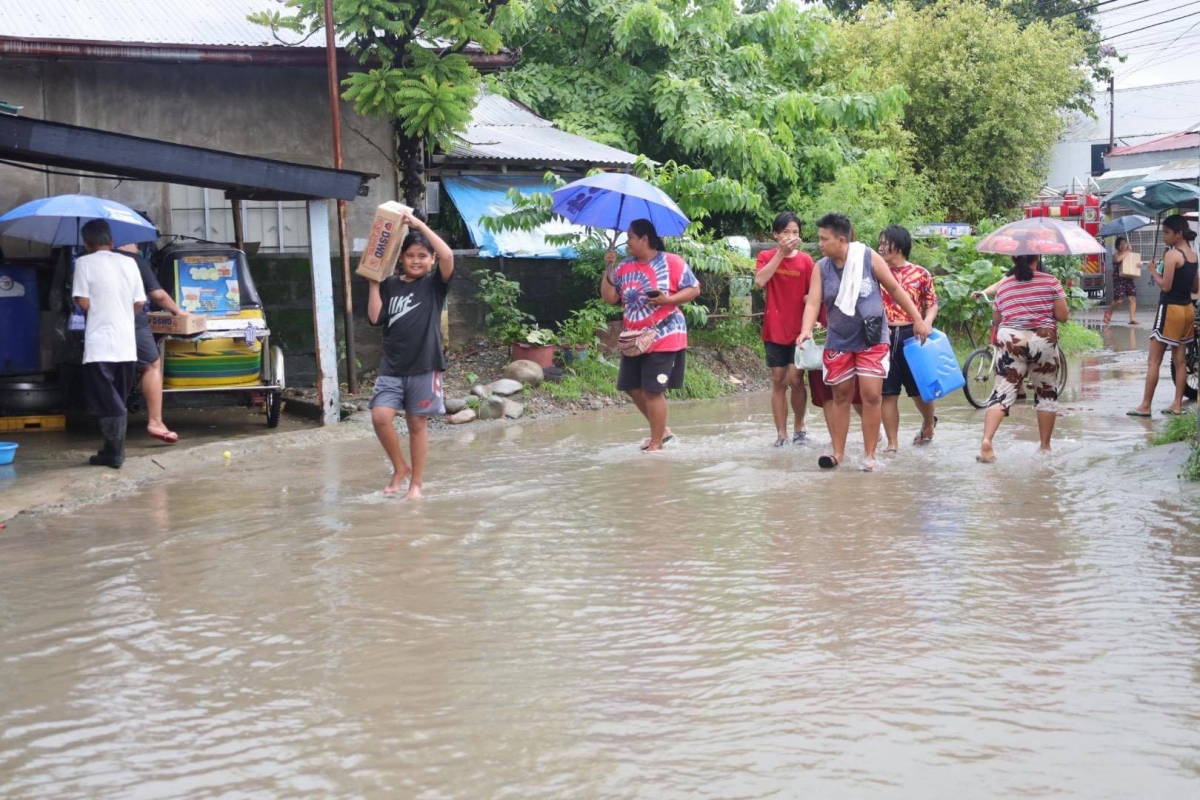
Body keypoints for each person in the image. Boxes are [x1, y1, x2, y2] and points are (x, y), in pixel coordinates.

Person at [797, 213, 931, 471]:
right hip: (839, 340)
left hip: (872, 339)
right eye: (819, 239)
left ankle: (870, 456)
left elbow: (894, 289)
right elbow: (813, 301)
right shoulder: (821, 267)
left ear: (841, 239)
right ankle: (838, 453)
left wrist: (918, 319)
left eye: (824, 239)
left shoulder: (868, 257)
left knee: (871, 396)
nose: (820, 244)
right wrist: (805, 330)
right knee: (841, 397)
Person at [366, 211, 454, 498]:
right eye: (410, 255)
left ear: (431, 260)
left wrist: (420, 226)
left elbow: (449, 256)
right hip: (392, 366)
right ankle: (399, 467)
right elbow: (375, 317)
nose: (416, 260)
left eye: (422, 256)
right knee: (380, 417)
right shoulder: (390, 285)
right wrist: (373, 281)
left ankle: (416, 483)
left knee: (417, 424)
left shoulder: (434, 286)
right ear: (401, 258)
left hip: (425, 366)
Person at [602, 218, 701, 452]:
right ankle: (662, 431)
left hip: (665, 334)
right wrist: (608, 267)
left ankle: (656, 442)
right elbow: (609, 298)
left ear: (645, 239)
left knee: (653, 391)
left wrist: (669, 300)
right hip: (634, 337)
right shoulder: (624, 267)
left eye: (631, 237)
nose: (627, 242)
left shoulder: (672, 262)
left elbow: (694, 288)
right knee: (631, 385)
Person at [976, 254, 1069, 463]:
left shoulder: (1005, 285)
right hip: (1042, 338)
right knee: (1046, 393)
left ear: (1013, 258)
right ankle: (1045, 447)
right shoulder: (1050, 281)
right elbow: (1063, 316)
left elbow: (997, 319)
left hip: (1010, 338)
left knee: (1002, 392)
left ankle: (987, 441)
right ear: (1037, 257)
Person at [72, 219, 147, 468]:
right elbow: (139, 303)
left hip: (99, 345)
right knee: (117, 398)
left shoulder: (83, 262)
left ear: (86, 243)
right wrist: (120, 315)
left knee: (108, 402)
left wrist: (101, 311)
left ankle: (115, 453)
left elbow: (82, 301)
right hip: (126, 345)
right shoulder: (130, 262)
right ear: (111, 241)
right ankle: (109, 450)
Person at [754, 211, 816, 447]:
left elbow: (813, 295)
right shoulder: (766, 256)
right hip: (774, 329)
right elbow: (760, 281)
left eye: (795, 232)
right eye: (786, 232)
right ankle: (781, 434)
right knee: (778, 380)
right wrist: (780, 253)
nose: (791, 236)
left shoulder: (807, 261)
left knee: (796, 379)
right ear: (776, 234)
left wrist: (814, 323)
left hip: (800, 331)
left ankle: (799, 426)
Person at [116, 243, 188, 444]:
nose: (137, 246)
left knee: (110, 369)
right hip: (132, 325)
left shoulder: (87, 262)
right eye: (136, 242)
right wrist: (178, 312)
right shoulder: (136, 261)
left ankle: (111, 428)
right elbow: (158, 295)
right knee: (151, 366)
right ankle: (155, 421)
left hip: (100, 328)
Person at [1128, 215, 1198, 418]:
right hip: (1187, 310)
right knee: (1180, 360)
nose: (1164, 237)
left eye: (1167, 233)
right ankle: (1177, 404)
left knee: (1154, 360)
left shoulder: (1172, 255)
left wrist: (1152, 271)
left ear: (1179, 234)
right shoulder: (1192, 255)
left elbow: (1165, 286)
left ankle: (1145, 406)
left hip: (1170, 309)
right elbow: (1195, 286)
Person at [877, 225, 938, 452]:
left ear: (900, 245)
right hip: (883, 336)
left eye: (885, 243)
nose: (881, 247)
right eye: (880, 243)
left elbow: (932, 304)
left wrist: (927, 322)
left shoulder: (921, 273)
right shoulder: (876, 272)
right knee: (888, 392)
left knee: (919, 390)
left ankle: (929, 422)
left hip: (912, 335)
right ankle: (892, 443)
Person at [1105, 236, 1139, 326]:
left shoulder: (1130, 255)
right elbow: (1118, 259)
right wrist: (1128, 251)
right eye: (1120, 244)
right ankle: (1108, 314)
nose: (1122, 245)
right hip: (1119, 279)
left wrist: (1138, 265)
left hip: (1129, 278)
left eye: (1124, 243)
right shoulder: (1116, 255)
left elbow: (1135, 264)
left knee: (1132, 298)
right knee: (1119, 300)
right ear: (1117, 246)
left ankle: (1132, 318)